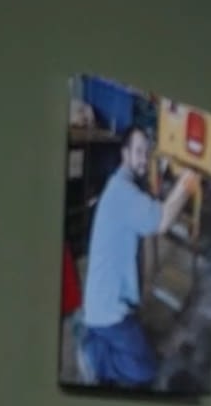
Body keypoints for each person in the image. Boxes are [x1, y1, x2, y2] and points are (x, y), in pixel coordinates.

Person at [77, 126, 194, 386]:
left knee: (143, 342)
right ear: (125, 153)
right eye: (138, 151)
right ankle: (94, 355)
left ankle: (97, 337)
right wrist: (189, 179)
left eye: (147, 153)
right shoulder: (123, 192)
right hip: (109, 311)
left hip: (104, 304)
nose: (144, 159)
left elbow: (150, 231)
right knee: (146, 370)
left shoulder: (123, 187)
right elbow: (161, 222)